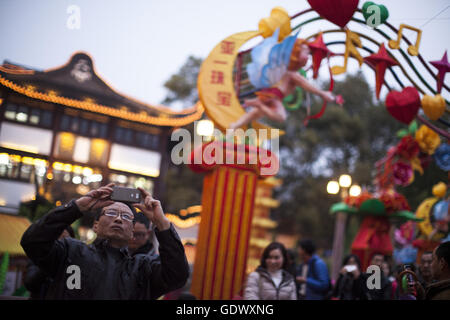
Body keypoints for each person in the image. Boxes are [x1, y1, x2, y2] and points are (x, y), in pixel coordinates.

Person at [20, 183, 189, 299]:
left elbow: (177, 275)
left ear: (132, 233)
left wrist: (162, 223)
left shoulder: (143, 268)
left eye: (126, 217)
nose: (118, 219)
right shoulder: (70, 251)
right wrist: (77, 207)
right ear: (95, 225)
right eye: (110, 213)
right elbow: (33, 242)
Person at [229, 39, 341, 130]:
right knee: (280, 116)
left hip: (269, 94)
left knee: (255, 114)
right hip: (274, 96)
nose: (308, 56)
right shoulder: (292, 74)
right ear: (296, 53)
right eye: (306, 52)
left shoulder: (287, 71)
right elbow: (306, 85)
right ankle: (258, 105)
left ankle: (235, 125)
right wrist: (322, 93)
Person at [23, 226, 75, 299]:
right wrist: (49, 262)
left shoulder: (75, 263)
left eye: (65, 240)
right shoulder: (38, 256)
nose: (60, 243)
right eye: (57, 239)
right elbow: (30, 284)